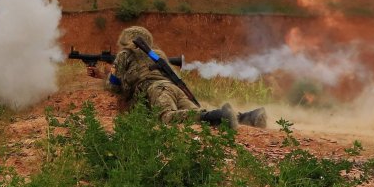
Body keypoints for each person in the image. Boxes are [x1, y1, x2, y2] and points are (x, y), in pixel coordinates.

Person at [87, 26, 267, 129]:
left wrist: (104, 75)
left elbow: (114, 87)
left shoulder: (124, 55)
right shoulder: (157, 53)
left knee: (168, 118)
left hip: (155, 90)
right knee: (199, 112)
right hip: (173, 88)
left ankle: (220, 116)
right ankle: (248, 117)